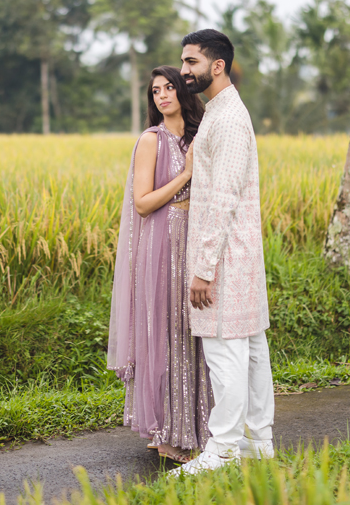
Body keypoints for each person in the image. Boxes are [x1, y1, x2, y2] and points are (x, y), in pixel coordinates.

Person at [174, 29, 275, 476]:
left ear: (218, 66)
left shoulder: (229, 118)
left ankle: (224, 449)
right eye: (183, 61)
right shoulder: (220, 113)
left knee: (227, 355)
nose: (183, 71)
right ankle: (257, 443)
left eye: (191, 62)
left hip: (226, 261)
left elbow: (223, 197)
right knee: (250, 352)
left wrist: (204, 267)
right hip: (238, 257)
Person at [107, 65, 214, 463]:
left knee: (193, 332)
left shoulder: (200, 135)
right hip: (162, 244)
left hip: (195, 239)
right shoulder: (151, 140)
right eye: (155, 91)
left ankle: (196, 425)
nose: (163, 96)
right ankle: (168, 432)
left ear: (184, 92)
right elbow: (142, 202)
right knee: (168, 331)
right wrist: (185, 175)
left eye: (169, 88)